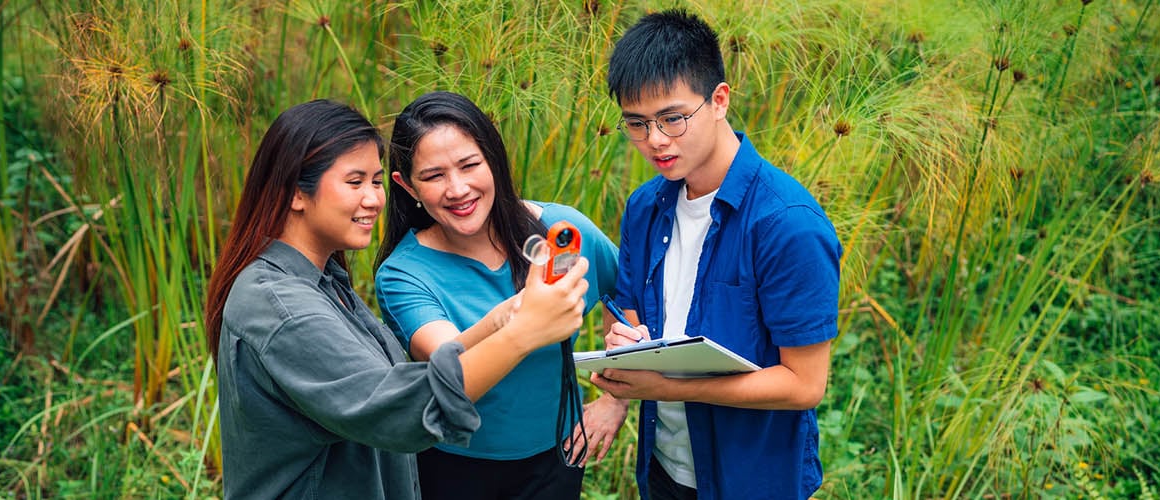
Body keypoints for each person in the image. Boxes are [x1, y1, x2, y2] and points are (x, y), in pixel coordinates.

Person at [203, 99, 592, 500]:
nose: (374, 199)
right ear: (295, 194)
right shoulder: (281, 308)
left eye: (375, 182)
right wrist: (524, 334)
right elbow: (401, 407)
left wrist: (502, 321)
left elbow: (392, 380)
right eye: (355, 182)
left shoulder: (323, 282)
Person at [589, 9, 842, 500]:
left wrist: (668, 387)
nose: (655, 140)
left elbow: (805, 385)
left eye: (673, 118)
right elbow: (627, 306)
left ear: (719, 100)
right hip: (664, 469)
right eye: (637, 124)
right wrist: (624, 352)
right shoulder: (645, 205)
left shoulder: (786, 224)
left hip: (752, 479)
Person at [374, 91, 630, 500]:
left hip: (557, 460)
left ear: (494, 158)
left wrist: (616, 397)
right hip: (453, 467)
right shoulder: (404, 274)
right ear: (407, 186)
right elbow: (450, 370)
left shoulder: (560, 232)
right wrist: (518, 318)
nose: (458, 189)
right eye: (434, 175)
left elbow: (627, 290)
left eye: (470, 165)